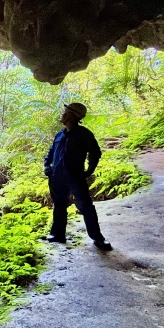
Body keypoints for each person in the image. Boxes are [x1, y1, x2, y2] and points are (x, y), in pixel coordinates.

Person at [43, 102, 112, 251]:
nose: (63, 114)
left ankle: (98, 238)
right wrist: (47, 166)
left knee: (86, 207)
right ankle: (57, 234)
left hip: (75, 177)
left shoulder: (84, 134)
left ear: (70, 116)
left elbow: (95, 153)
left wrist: (89, 171)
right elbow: (50, 151)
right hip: (57, 177)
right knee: (59, 205)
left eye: (65, 112)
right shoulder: (60, 134)